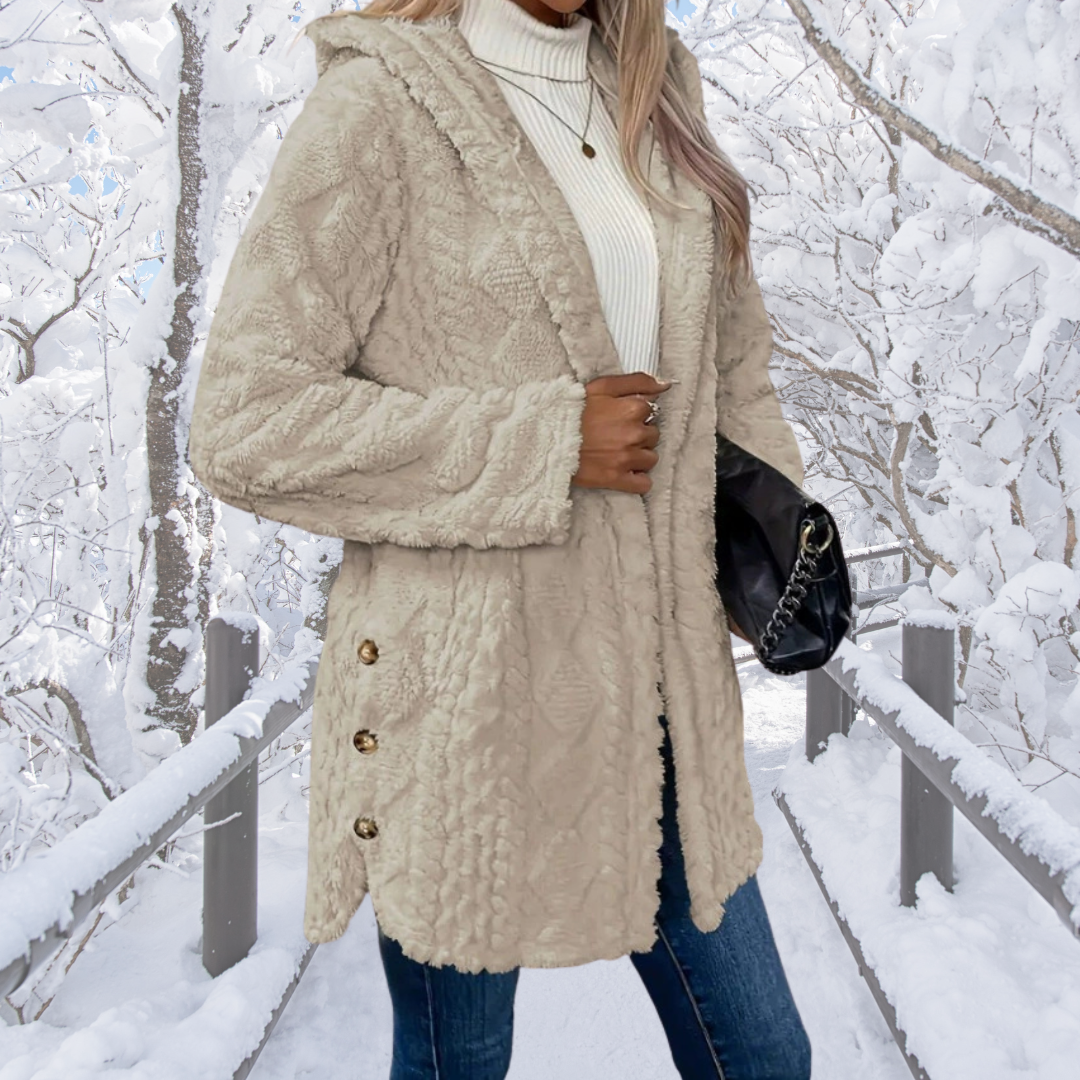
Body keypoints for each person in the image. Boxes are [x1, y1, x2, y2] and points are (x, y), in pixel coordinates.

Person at [188, 0, 811, 1076]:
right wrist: (545, 441)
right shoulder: (380, 105)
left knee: (763, 1055)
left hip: (664, 697)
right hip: (459, 712)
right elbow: (243, 423)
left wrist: (780, 538)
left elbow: (734, 368)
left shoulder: (658, 92)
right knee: (457, 1063)